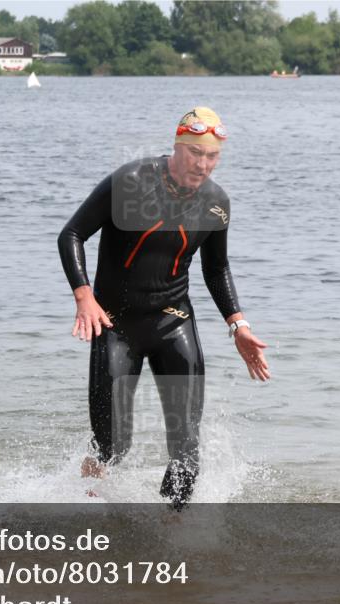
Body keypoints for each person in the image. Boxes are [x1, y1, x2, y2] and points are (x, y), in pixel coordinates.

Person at [57, 107, 269, 510]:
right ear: (177, 147)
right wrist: (83, 295)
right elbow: (71, 234)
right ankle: (82, 499)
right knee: (113, 445)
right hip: (115, 323)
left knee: (187, 443)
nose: (203, 165)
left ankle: (175, 531)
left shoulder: (216, 204)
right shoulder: (131, 182)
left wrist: (237, 324)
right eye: (195, 153)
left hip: (173, 320)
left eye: (212, 156)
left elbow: (217, 267)